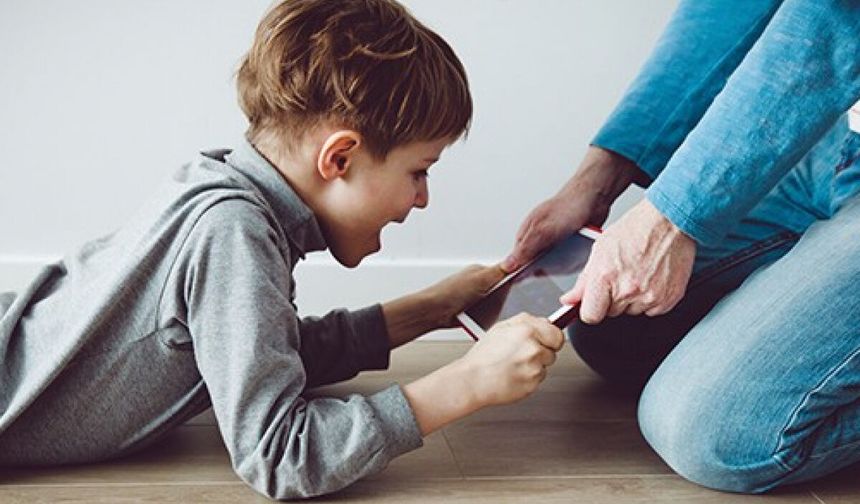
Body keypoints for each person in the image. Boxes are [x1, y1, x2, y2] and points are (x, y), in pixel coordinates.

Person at [0, 0, 565, 499]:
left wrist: (430, 310)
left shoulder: (224, 187)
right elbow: (279, 455)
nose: (422, 199)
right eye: (419, 171)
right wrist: (465, 384)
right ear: (339, 158)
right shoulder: (234, 231)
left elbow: (256, 354)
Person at [505, 0, 860, 494]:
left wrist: (674, 220)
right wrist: (599, 177)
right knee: (612, 328)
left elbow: (837, 16)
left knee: (712, 434)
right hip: (836, 148)